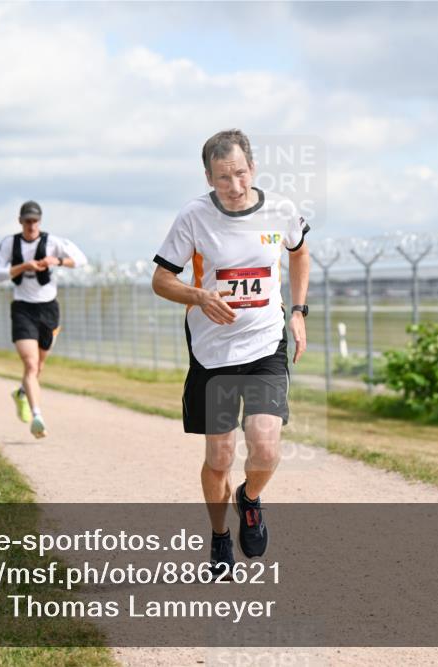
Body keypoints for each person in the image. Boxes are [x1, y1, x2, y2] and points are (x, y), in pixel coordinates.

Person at [150, 129, 310, 577]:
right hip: (212, 352)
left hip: (265, 344)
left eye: (240, 173)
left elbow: (299, 254)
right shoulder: (194, 217)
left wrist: (299, 312)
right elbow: (161, 280)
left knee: (266, 447)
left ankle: (249, 498)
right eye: (223, 178)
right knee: (219, 457)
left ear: (253, 168)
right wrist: (199, 296)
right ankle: (220, 534)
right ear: (208, 177)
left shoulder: (281, 210)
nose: (235, 186)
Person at [0, 201, 88, 439]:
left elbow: (81, 259)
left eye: (35, 221)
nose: (31, 225)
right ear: (20, 221)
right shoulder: (9, 243)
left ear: (40, 221)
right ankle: (37, 416)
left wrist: (57, 261)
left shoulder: (53, 242)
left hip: (48, 309)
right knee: (31, 364)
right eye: (27, 221)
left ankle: (21, 393)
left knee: (39, 366)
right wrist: (23, 266)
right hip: (23, 309)